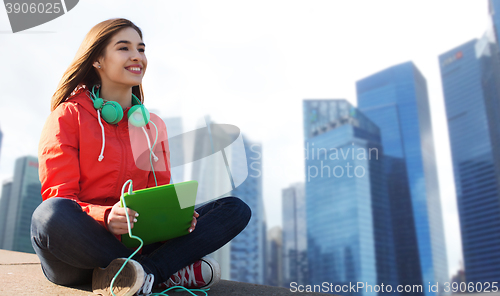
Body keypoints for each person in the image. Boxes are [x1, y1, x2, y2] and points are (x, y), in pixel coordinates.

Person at [31, 18, 251, 296]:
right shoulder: (68, 115)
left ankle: (142, 274)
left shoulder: (152, 126)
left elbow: (158, 195)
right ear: (97, 60)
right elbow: (59, 196)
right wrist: (108, 217)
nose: (137, 56)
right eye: (124, 48)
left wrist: (177, 218)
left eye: (141, 49)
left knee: (235, 208)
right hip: (80, 248)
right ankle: (161, 271)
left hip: (135, 240)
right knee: (49, 214)